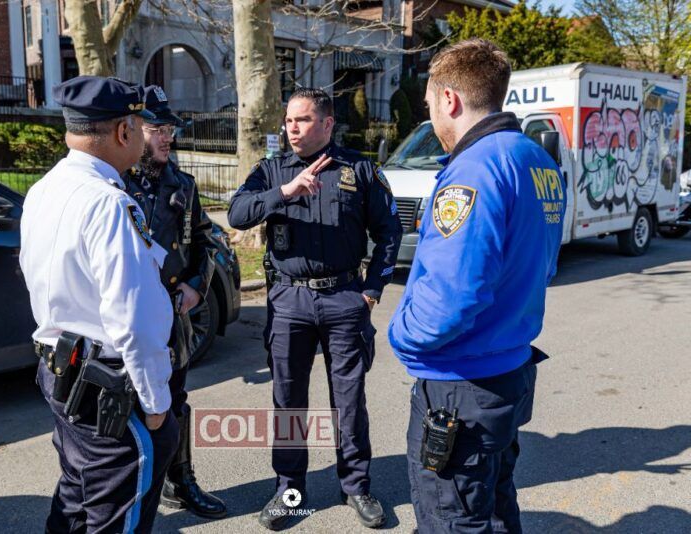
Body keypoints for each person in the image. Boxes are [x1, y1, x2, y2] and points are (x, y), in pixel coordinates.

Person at [388, 39, 565, 533]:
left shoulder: (474, 169)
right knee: (494, 506)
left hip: (461, 387)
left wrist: (402, 337)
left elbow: (452, 297)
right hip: (508, 371)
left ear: (449, 99)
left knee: (451, 519)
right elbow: (544, 265)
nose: (430, 116)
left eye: (429, 103)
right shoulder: (536, 160)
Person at [228, 88, 402, 530]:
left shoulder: (359, 169)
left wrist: (373, 289)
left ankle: (356, 486)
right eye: (289, 120)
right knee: (288, 400)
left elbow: (389, 231)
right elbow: (237, 213)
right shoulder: (271, 171)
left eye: (302, 120)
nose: (292, 128)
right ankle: (290, 490)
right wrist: (285, 192)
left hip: (344, 299)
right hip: (290, 301)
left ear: (327, 123)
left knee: (349, 401)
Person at [19, 76, 179, 533]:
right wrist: (155, 401)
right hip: (105, 385)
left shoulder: (44, 188)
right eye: (140, 126)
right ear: (124, 131)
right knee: (117, 510)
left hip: (61, 369)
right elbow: (134, 319)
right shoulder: (109, 203)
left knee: (76, 493)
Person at [123, 85, 227, 519]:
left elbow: (207, 240)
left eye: (170, 130)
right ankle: (127, 490)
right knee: (124, 404)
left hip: (171, 316)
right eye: (158, 129)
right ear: (132, 130)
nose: (167, 137)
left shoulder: (182, 185)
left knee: (174, 402)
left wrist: (197, 286)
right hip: (125, 317)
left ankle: (180, 481)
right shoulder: (113, 183)